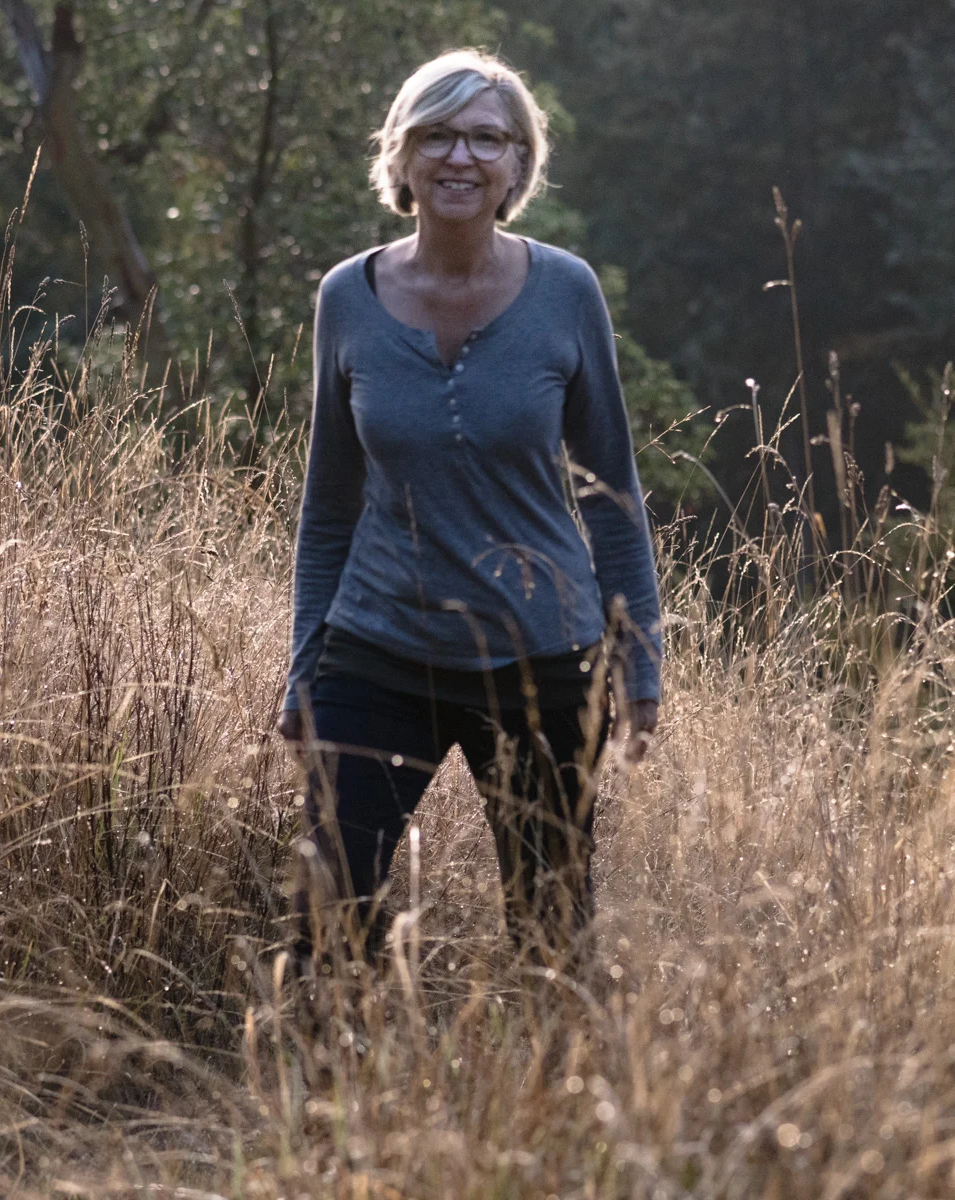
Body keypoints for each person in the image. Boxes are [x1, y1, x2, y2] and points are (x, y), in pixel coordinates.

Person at [277, 48, 662, 968]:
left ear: (519, 164)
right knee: (327, 928)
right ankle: (329, 1066)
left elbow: (613, 496)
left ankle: (550, 1069)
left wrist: (639, 663)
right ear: (401, 158)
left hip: (542, 663)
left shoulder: (566, 292)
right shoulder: (348, 297)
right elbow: (328, 507)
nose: (460, 157)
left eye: (487, 138)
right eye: (437, 135)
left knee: (551, 938)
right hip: (376, 652)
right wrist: (305, 666)